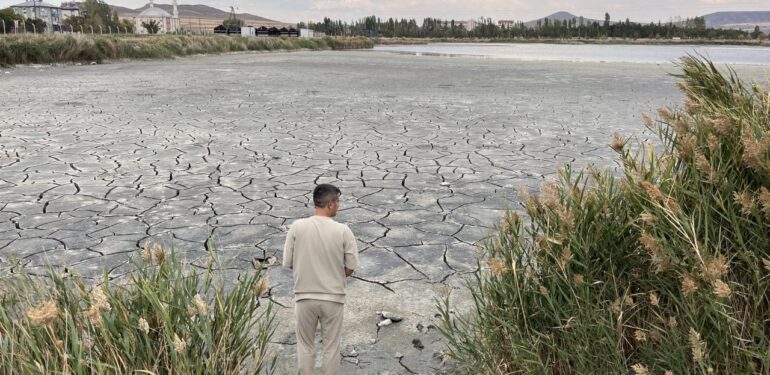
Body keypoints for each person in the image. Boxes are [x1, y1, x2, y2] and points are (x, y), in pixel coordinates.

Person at [283, 183, 359, 375]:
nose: (339, 205)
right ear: (331, 204)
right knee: (331, 348)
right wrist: (333, 274)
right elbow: (350, 267)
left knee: (305, 346)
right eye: (338, 201)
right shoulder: (343, 230)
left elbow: (288, 262)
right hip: (333, 298)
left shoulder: (297, 227)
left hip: (304, 297)